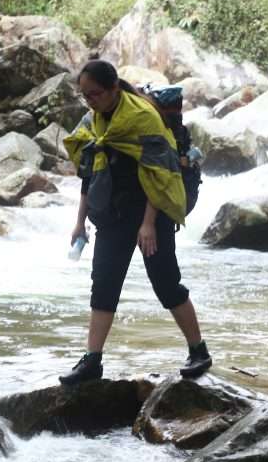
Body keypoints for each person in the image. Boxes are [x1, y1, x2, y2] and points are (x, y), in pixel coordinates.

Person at [60, 60, 212, 385]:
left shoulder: (143, 118)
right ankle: (92, 360)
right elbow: (89, 173)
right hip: (113, 217)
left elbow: (159, 175)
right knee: (103, 286)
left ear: (114, 87)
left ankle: (198, 350)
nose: (90, 101)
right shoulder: (94, 121)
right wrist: (79, 222)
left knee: (166, 283)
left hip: (149, 214)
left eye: (96, 94)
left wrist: (148, 223)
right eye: (85, 96)